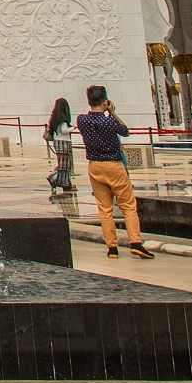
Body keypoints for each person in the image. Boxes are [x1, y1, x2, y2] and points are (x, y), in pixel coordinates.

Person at [76, 85, 153, 258]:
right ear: (105, 102)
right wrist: (112, 112)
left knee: (105, 209)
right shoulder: (110, 121)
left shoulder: (82, 120)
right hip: (114, 165)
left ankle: (112, 248)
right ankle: (135, 242)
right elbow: (125, 131)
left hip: (95, 166)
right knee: (128, 206)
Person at [45, 96, 76, 196]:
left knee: (63, 164)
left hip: (58, 141)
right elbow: (64, 130)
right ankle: (54, 178)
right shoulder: (62, 120)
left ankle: (64, 182)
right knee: (65, 164)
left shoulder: (54, 119)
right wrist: (73, 128)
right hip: (64, 142)